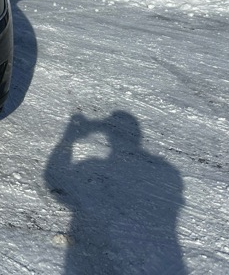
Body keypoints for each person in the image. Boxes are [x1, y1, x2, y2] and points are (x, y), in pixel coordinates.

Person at [44, 111, 186, 274]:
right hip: (162, 256)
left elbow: (51, 179)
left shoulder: (90, 166)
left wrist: (68, 139)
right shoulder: (168, 172)